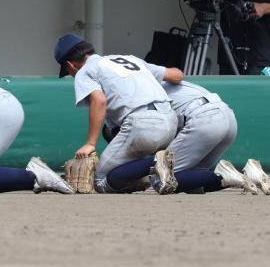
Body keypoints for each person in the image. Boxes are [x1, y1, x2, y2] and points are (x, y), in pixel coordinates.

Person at [55, 34, 181, 194]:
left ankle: (154, 163)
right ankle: (151, 169)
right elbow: (177, 75)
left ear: (71, 65)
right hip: (171, 121)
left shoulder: (85, 70)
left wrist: (90, 144)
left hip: (142, 124)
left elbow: (99, 101)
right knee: (123, 163)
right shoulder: (129, 59)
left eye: (68, 71)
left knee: (99, 180)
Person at [156, 80, 270, 194]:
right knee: (193, 182)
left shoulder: (146, 91)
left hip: (204, 118)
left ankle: (223, 175)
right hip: (226, 115)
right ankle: (248, 175)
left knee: (161, 178)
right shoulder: (160, 82)